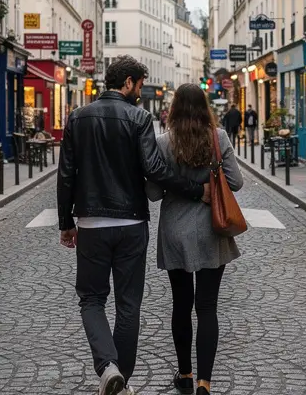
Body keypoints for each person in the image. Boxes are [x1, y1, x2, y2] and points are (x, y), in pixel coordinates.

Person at [58, 56, 212, 395]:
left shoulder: (77, 117)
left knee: (91, 299)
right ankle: (119, 379)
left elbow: (66, 173)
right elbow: (156, 170)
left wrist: (66, 222)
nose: (140, 93)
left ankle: (108, 368)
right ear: (127, 82)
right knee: (129, 305)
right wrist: (194, 189)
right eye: (140, 86)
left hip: (92, 223)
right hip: (131, 223)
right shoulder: (139, 118)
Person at [147, 84, 243, 395]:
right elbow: (236, 183)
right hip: (211, 229)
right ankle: (205, 382)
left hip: (175, 230)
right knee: (207, 307)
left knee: (181, 305)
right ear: (205, 108)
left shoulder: (163, 143)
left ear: (173, 110)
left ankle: (185, 375)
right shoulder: (218, 138)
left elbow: (153, 192)